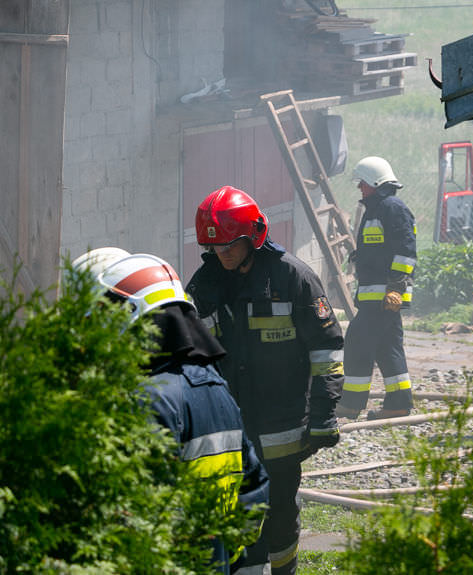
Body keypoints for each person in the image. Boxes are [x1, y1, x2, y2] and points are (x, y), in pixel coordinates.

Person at [73, 249, 270, 574]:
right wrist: (222, 555)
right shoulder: (215, 386)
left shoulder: (145, 399)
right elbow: (254, 487)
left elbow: (126, 511)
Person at [186, 186, 344, 575]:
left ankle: (285, 571)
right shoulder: (203, 286)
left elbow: (325, 350)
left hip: (283, 424)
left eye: (230, 245)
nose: (222, 254)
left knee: (280, 511)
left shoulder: (293, 278)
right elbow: (190, 351)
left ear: (253, 237)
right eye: (215, 247)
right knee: (239, 513)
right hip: (230, 426)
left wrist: (323, 417)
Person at [335, 156, 417, 420]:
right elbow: (381, 249)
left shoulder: (393, 208)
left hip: (385, 296)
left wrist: (396, 287)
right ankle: (398, 403)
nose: (359, 187)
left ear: (375, 182)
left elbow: (405, 252)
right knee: (388, 347)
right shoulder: (377, 208)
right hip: (375, 295)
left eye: (362, 183)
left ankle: (351, 403)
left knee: (357, 342)